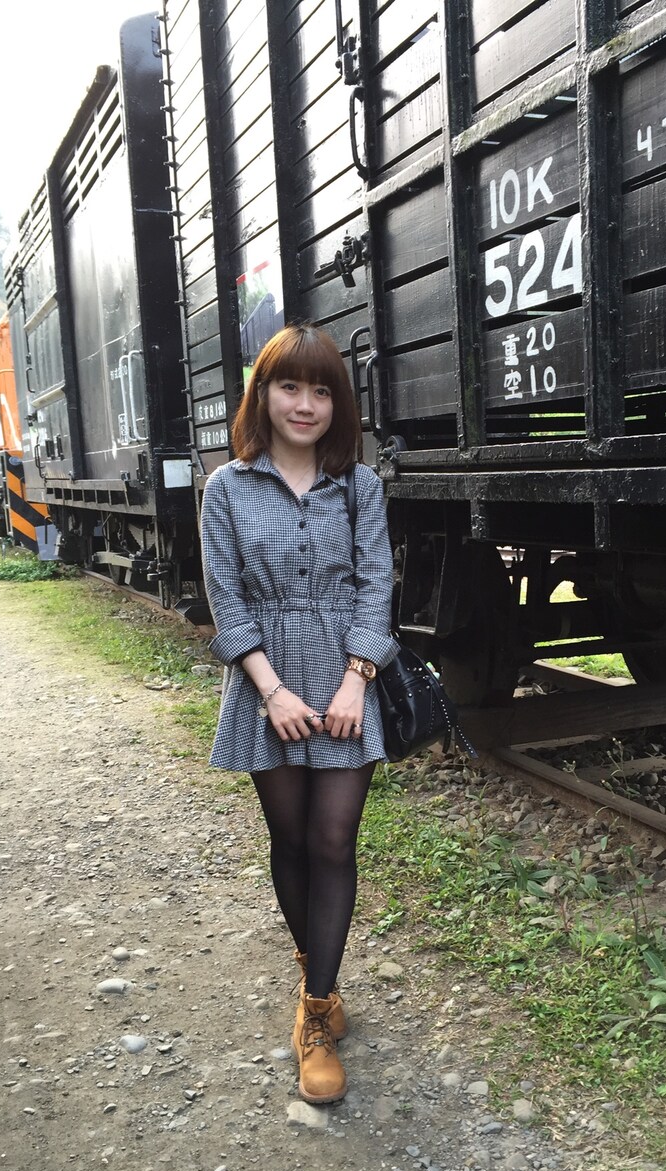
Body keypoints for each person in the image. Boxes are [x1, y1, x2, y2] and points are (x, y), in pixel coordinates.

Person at [200, 323, 397, 1105]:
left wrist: (357, 678)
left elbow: (377, 582)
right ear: (264, 395)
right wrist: (271, 690)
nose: (305, 404)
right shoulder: (227, 488)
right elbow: (226, 596)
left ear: (338, 404)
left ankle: (316, 1015)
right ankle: (319, 979)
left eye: (321, 390)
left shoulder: (359, 486)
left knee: (332, 838)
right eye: (290, 386)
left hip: (345, 673)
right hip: (266, 679)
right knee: (289, 840)